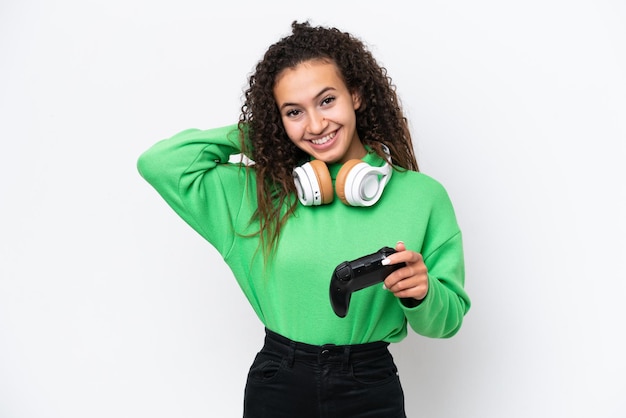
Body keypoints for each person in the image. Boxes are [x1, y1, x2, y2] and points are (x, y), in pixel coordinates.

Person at [137, 20, 470, 418]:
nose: (315, 125)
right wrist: (262, 134)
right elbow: (159, 163)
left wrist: (422, 292)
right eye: (294, 111)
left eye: (327, 100)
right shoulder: (257, 195)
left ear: (357, 95)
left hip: (370, 386)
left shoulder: (423, 197)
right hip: (279, 383)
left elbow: (447, 322)